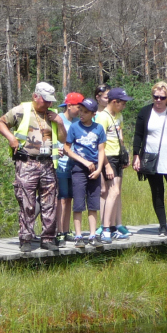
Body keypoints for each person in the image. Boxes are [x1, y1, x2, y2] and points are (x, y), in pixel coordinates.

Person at [0, 81, 67, 252]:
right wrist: (11, 138)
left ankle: (48, 238)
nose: (49, 104)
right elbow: (0, 123)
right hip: (27, 162)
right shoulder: (22, 110)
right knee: (27, 202)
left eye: (51, 101)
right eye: (45, 100)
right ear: (35, 96)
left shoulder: (53, 114)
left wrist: (60, 123)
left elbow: (63, 139)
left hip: (48, 163)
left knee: (49, 203)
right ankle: (26, 238)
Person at [132, 82, 167, 237]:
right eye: (155, 97)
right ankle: (163, 227)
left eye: (162, 97)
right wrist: (136, 155)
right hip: (152, 158)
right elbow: (138, 135)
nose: (158, 100)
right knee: (157, 192)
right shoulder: (145, 112)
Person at [64, 98, 106, 248]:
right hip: (79, 168)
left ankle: (93, 235)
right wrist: (84, 162)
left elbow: (101, 150)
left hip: (94, 168)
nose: (81, 114)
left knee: (93, 203)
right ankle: (78, 236)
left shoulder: (99, 128)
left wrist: (100, 168)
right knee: (79, 203)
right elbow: (67, 149)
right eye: (80, 110)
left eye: (86, 112)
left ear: (93, 114)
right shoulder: (74, 127)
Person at [95, 88, 134, 243]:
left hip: (118, 156)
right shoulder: (102, 118)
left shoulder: (119, 116)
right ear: (114, 102)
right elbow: (100, 144)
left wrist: (125, 154)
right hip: (108, 157)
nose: (124, 105)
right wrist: (106, 165)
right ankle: (106, 229)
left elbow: (120, 135)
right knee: (113, 191)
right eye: (122, 103)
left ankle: (114, 226)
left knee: (117, 192)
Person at [56, 92, 83, 245]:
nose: (80, 111)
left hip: (73, 166)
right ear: (69, 106)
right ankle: (59, 231)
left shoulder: (77, 121)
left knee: (69, 199)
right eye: (78, 107)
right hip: (61, 166)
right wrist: (56, 149)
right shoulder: (58, 119)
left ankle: (66, 230)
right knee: (62, 199)